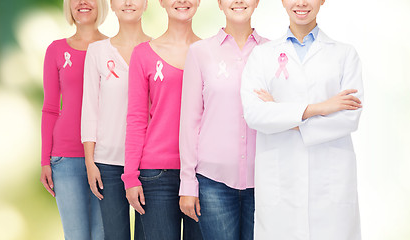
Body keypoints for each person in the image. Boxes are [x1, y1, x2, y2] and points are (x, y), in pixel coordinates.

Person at [240, 0, 364, 239]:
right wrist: (319, 108)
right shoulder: (262, 56)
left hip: (330, 184)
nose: (302, 3)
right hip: (280, 183)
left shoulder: (345, 54)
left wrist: (281, 113)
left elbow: (350, 117)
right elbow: (254, 114)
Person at [178, 0, 268, 239]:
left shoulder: (273, 52)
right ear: (219, 3)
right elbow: (189, 122)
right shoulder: (200, 53)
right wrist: (188, 183)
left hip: (265, 182)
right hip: (213, 183)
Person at [121, 0, 203, 239]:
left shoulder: (209, 52)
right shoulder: (143, 54)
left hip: (202, 173)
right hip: (156, 174)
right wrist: (130, 176)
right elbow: (136, 118)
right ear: (161, 2)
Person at [81, 0, 152, 239]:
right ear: (111, 4)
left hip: (149, 163)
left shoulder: (157, 49)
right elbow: (90, 109)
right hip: (107, 164)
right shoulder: (98, 52)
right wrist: (90, 162)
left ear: (147, 4)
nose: (128, 2)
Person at [40, 0, 108, 239]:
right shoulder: (56, 50)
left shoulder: (113, 48)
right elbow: (50, 108)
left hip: (106, 158)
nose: (82, 3)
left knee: (103, 235)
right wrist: (44, 160)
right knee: (77, 235)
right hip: (65, 159)